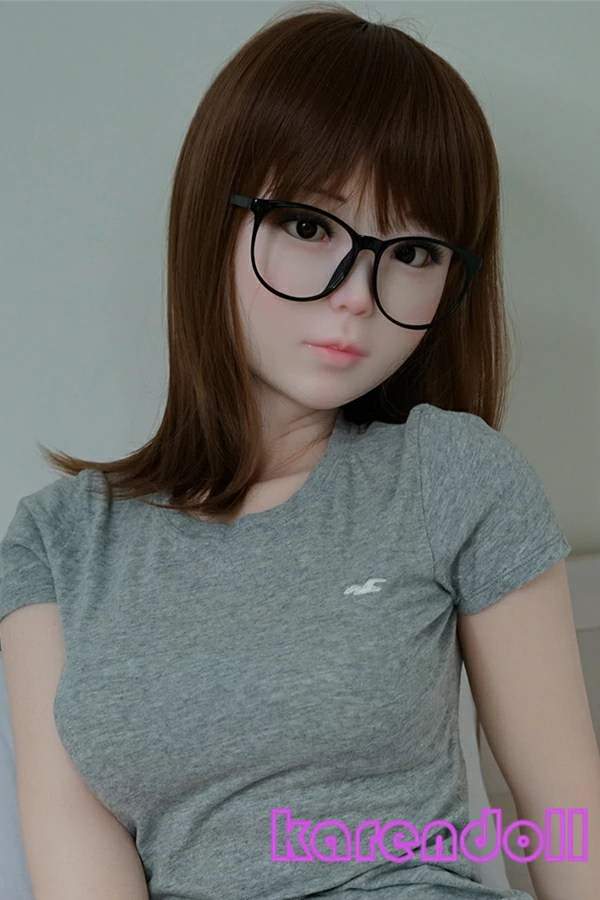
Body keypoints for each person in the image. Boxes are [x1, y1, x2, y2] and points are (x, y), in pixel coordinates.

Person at [1, 4, 597, 900]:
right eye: (311, 227)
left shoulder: (449, 475)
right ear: (214, 219)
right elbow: (72, 841)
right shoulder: (58, 544)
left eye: (413, 250)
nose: (357, 294)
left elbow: (563, 813)